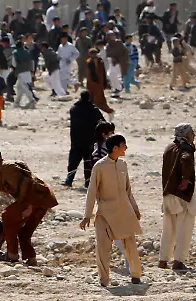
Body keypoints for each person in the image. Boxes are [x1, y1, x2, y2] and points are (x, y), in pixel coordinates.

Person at [81, 134, 143, 287]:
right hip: (105, 214)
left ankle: (136, 276)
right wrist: (87, 215)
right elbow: (92, 191)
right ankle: (104, 280)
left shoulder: (123, 164)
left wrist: (135, 208)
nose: (126, 148)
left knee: (130, 246)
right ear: (115, 148)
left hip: (124, 212)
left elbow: (128, 190)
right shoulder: (100, 167)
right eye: (123, 145)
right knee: (103, 248)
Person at [0, 147, 58, 265]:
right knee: (24, 232)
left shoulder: (7, 168)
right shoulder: (4, 169)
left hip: (35, 199)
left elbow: (27, 184)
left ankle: (12, 254)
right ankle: (31, 258)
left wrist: (29, 205)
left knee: (7, 216)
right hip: (43, 199)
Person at [159, 123, 196, 272]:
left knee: (168, 228)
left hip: (168, 193)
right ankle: (178, 261)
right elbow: (186, 159)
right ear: (185, 134)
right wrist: (185, 179)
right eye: (192, 132)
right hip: (182, 194)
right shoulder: (186, 147)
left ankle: (163, 260)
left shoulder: (169, 148)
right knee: (185, 228)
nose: (194, 135)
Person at [62, 92, 105, 188]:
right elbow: (102, 122)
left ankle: (69, 180)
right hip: (90, 140)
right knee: (88, 161)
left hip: (76, 140)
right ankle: (87, 182)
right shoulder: (93, 110)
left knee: (73, 161)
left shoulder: (74, 109)